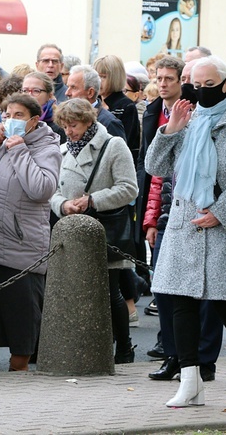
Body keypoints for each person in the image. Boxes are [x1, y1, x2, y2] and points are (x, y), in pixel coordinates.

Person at [145, 55, 226, 407]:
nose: (200, 92)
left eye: (208, 85)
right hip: (185, 222)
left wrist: (220, 212)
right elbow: (155, 167)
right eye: (195, 85)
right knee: (180, 302)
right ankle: (190, 381)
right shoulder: (186, 119)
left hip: (225, 225)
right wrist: (170, 129)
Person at [138, 55, 223, 382]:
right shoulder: (169, 118)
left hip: (208, 217)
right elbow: (155, 171)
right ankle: (175, 355)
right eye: (188, 79)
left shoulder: (223, 120)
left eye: (197, 81)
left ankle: (203, 360)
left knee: (206, 296)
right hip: (171, 217)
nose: (190, 86)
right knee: (165, 289)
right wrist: (152, 220)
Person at [0, 93, 61, 372]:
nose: (10, 120)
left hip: (21, 247)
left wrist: (19, 150)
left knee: (21, 316)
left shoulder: (46, 147)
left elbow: (41, 189)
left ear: (33, 121)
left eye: (17, 115)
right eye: (6, 114)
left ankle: (21, 367)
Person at [50, 98, 138, 364]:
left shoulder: (113, 145)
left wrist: (93, 200)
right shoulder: (63, 150)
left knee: (110, 291)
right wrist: (63, 205)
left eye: (73, 125)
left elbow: (129, 188)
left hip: (104, 229)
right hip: (70, 229)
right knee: (74, 292)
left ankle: (124, 347)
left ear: (89, 120)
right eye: (64, 126)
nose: (69, 131)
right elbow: (52, 192)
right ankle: (84, 345)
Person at [93, 54, 140, 163]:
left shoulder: (126, 106)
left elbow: (126, 143)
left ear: (115, 77)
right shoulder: (94, 101)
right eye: (96, 77)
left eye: (103, 77)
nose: (99, 81)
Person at [65, 65, 126, 140]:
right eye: (67, 87)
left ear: (90, 92)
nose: (67, 93)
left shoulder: (109, 123)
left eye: (74, 88)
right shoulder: (67, 118)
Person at [21, 71, 65, 142]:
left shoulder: (58, 126)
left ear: (49, 95)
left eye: (36, 91)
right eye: (25, 91)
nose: (29, 95)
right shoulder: (15, 121)